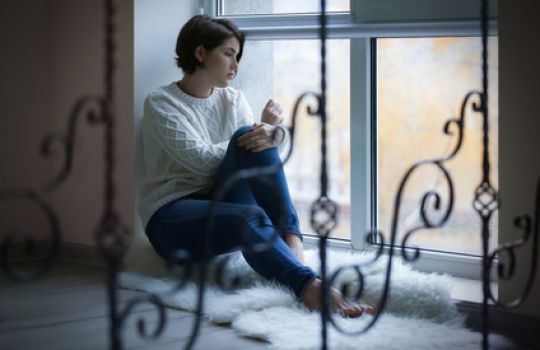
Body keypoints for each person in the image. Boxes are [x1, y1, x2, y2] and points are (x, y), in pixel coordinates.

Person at [139, 14, 374, 317]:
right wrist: (262, 127)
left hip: (221, 203)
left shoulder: (232, 99)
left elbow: (259, 150)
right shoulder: (160, 102)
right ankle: (310, 287)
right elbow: (199, 163)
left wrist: (273, 133)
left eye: (237, 56)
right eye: (228, 54)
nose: (236, 66)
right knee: (247, 204)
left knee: (249, 138)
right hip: (172, 217)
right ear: (200, 53)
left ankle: (291, 237)